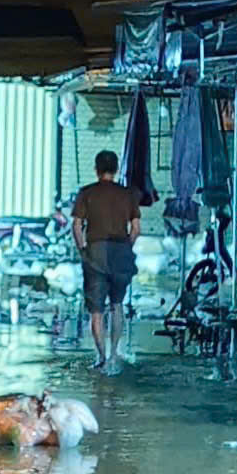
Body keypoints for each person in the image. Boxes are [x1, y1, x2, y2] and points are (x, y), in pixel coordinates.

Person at [73, 150, 142, 372]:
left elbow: (76, 225)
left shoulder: (86, 193)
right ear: (116, 169)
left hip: (96, 252)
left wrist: (83, 249)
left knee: (96, 309)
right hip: (120, 250)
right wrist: (126, 247)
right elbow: (136, 228)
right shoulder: (128, 194)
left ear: (96, 169)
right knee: (117, 304)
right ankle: (114, 354)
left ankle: (101, 357)